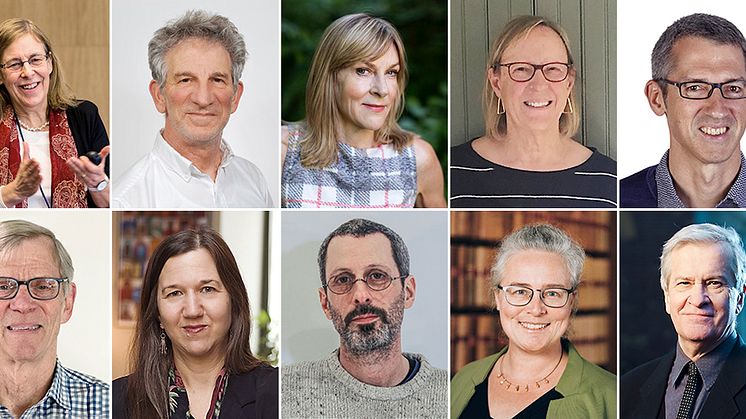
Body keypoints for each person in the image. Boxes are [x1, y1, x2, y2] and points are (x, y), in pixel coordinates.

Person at [282, 218, 448, 417]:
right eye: (343, 280)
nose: (360, 295)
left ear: (408, 292)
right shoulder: (283, 391)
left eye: (377, 276)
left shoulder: (452, 394)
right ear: (325, 302)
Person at [450, 15, 616, 208]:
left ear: (569, 82)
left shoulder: (609, 181)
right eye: (521, 69)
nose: (538, 85)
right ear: (496, 82)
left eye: (553, 68)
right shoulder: (456, 172)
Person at [281, 13, 445, 208]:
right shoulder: (283, 150)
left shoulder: (418, 159)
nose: (382, 90)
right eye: (363, 71)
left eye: (391, 73)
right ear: (330, 77)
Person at [451, 224, 615, 418]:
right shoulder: (463, 379)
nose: (536, 309)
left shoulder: (609, 396)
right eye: (520, 291)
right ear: (498, 298)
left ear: (571, 301)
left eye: (553, 293)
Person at [112, 228, 278, 418]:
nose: (192, 311)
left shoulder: (276, 391)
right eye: (174, 293)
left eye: (207, 289)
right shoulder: (117, 401)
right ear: (157, 313)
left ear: (234, 300)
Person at [114, 10, 272, 208]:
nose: (203, 99)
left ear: (235, 96)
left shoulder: (254, 180)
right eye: (186, 80)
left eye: (217, 80)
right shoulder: (127, 199)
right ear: (159, 95)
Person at [621, 223, 746, 418]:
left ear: (739, 298)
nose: (698, 300)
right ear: (667, 297)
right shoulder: (626, 389)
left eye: (714, 283)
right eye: (684, 283)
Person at [621, 14, 746, 208]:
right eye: (695, 87)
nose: (718, 110)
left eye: (733, 88)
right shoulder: (621, 199)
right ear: (657, 98)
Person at [0, 219, 108, 417]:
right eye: (3, 286)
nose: (22, 305)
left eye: (42, 286)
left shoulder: (106, 406)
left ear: (67, 302)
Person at [0, 18, 110, 208]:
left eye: (35, 59)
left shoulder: (84, 117)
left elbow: (112, 204)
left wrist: (97, 184)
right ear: (1, 75)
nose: (27, 72)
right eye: (15, 64)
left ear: (49, 63)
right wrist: (12, 193)